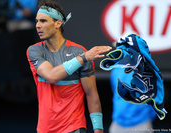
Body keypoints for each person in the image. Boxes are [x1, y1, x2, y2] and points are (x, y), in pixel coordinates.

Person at [26, 0, 112, 133]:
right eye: (37, 21)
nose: (37, 25)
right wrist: (84, 58)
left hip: (74, 128)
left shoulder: (79, 51)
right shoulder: (34, 51)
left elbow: (91, 94)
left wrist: (98, 130)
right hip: (44, 129)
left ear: (58, 23)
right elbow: (52, 76)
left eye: (43, 21)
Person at [109, 68, 156, 133]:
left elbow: (154, 98)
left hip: (141, 124)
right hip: (118, 123)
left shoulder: (147, 70)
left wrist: (147, 117)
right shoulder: (116, 69)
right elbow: (116, 93)